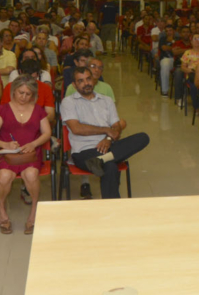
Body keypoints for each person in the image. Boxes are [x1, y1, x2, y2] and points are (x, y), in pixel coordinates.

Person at [61, 67, 150, 200]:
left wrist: (108, 138)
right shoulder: (68, 102)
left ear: (94, 80)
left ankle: (100, 160)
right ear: (74, 84)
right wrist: (105, 130)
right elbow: (76, 128)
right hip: (83, 152)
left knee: (143, 137)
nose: (86, 83)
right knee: (110, 167)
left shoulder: (106, 100)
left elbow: (116, 126)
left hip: (108, 147)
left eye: (88, 79)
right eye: (81, 81)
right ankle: (113, 209)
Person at [0, 76, 52, 234]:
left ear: (33, 95)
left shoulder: (38, 110)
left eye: (28, 94)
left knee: (30, 175)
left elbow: (47, 133)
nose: (23, 97)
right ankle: (1, 209)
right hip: (8, 155)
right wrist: (5, 144)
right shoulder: (3, 109)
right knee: (4, 177)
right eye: (20, 93)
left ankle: (34, 210)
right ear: (13, 92)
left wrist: (34, 144)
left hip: (30, 154)